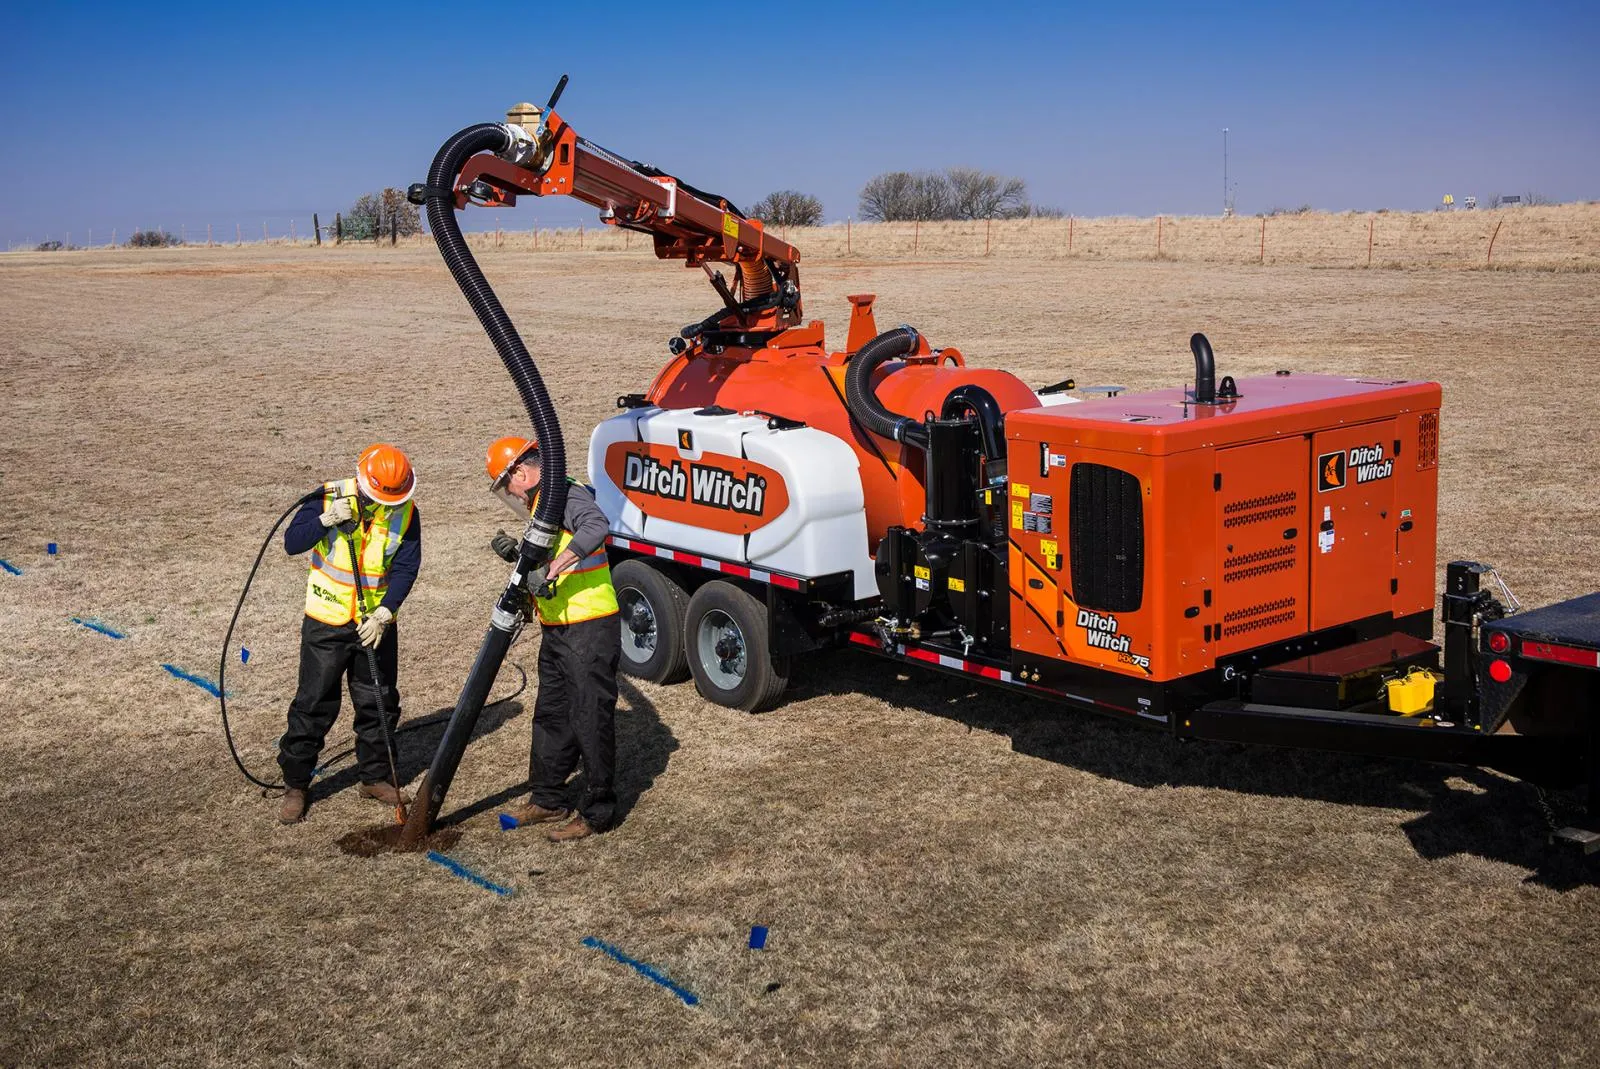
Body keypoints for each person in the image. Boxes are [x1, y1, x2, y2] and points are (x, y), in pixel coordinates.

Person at [276, 444, 422, 824]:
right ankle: (296, 784)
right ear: (361, 480)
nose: (385, 505)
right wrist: (324, 520)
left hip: (374, 625)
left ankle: (375, 777)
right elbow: (292, 543)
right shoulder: (327, 496)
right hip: (326, 619)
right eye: (379, 498)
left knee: (379, 701)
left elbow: (406, 567)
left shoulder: (406, 513)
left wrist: (386, 612)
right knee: (314, 703)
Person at [486, 435, 620, 842]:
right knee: (552, 714)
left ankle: (597, 812)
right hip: (558, 626)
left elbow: (596, 526)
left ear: (521, 472)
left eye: (507, 485)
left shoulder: (563, 492)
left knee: (589, 716)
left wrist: (555, 568)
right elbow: (549, 552)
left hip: (589, 627)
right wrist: (520, 556)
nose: (511, 494)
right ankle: (547, 798)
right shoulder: (544, 502)